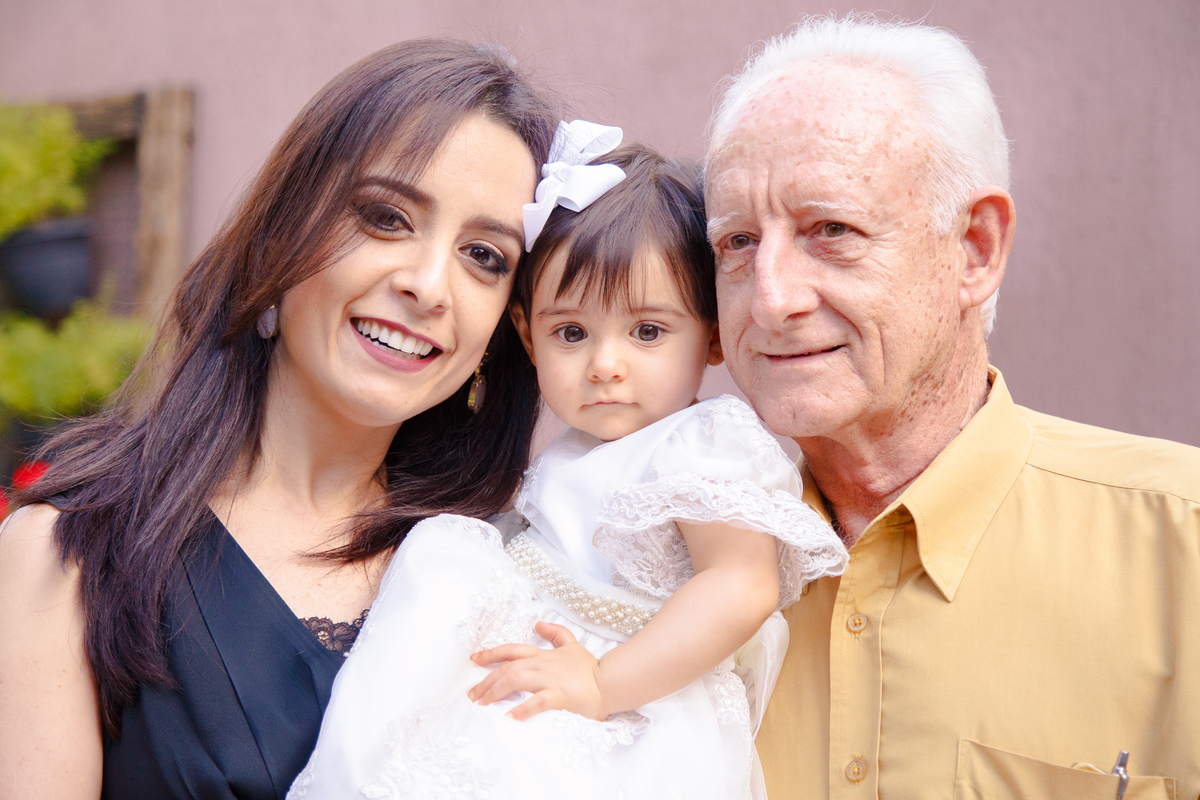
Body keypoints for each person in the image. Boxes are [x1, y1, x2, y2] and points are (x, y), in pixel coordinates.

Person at [0, 39, 559, 798]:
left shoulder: (511, 574)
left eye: (485, 256)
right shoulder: (68, 553)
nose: (430, 287)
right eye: (387, 217)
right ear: (283, 231)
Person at [704, 14, 1200, 799]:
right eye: (735, 242)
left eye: (831, 230)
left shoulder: (1183, 546)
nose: (770, 299)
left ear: (976, 249)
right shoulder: (666, 565)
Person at [287, 129, 848, 800]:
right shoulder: (579, 452)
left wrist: (605, 683)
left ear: (715, 335)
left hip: (636, 702)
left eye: (647, 331)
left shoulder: (703, 444)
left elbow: (741, 585)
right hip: (548, 669)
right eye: (572, 333)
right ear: (528, 335)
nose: (605, 364)